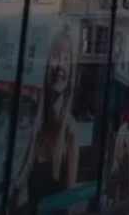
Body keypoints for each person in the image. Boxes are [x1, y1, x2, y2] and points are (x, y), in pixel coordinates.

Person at [9, 31, 79, 214]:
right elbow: (16, 191)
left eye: (66, 59)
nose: (60, 65)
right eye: (56, 56)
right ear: (47, 63)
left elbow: (67, 204)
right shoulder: (37, 127)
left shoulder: (70, 130)